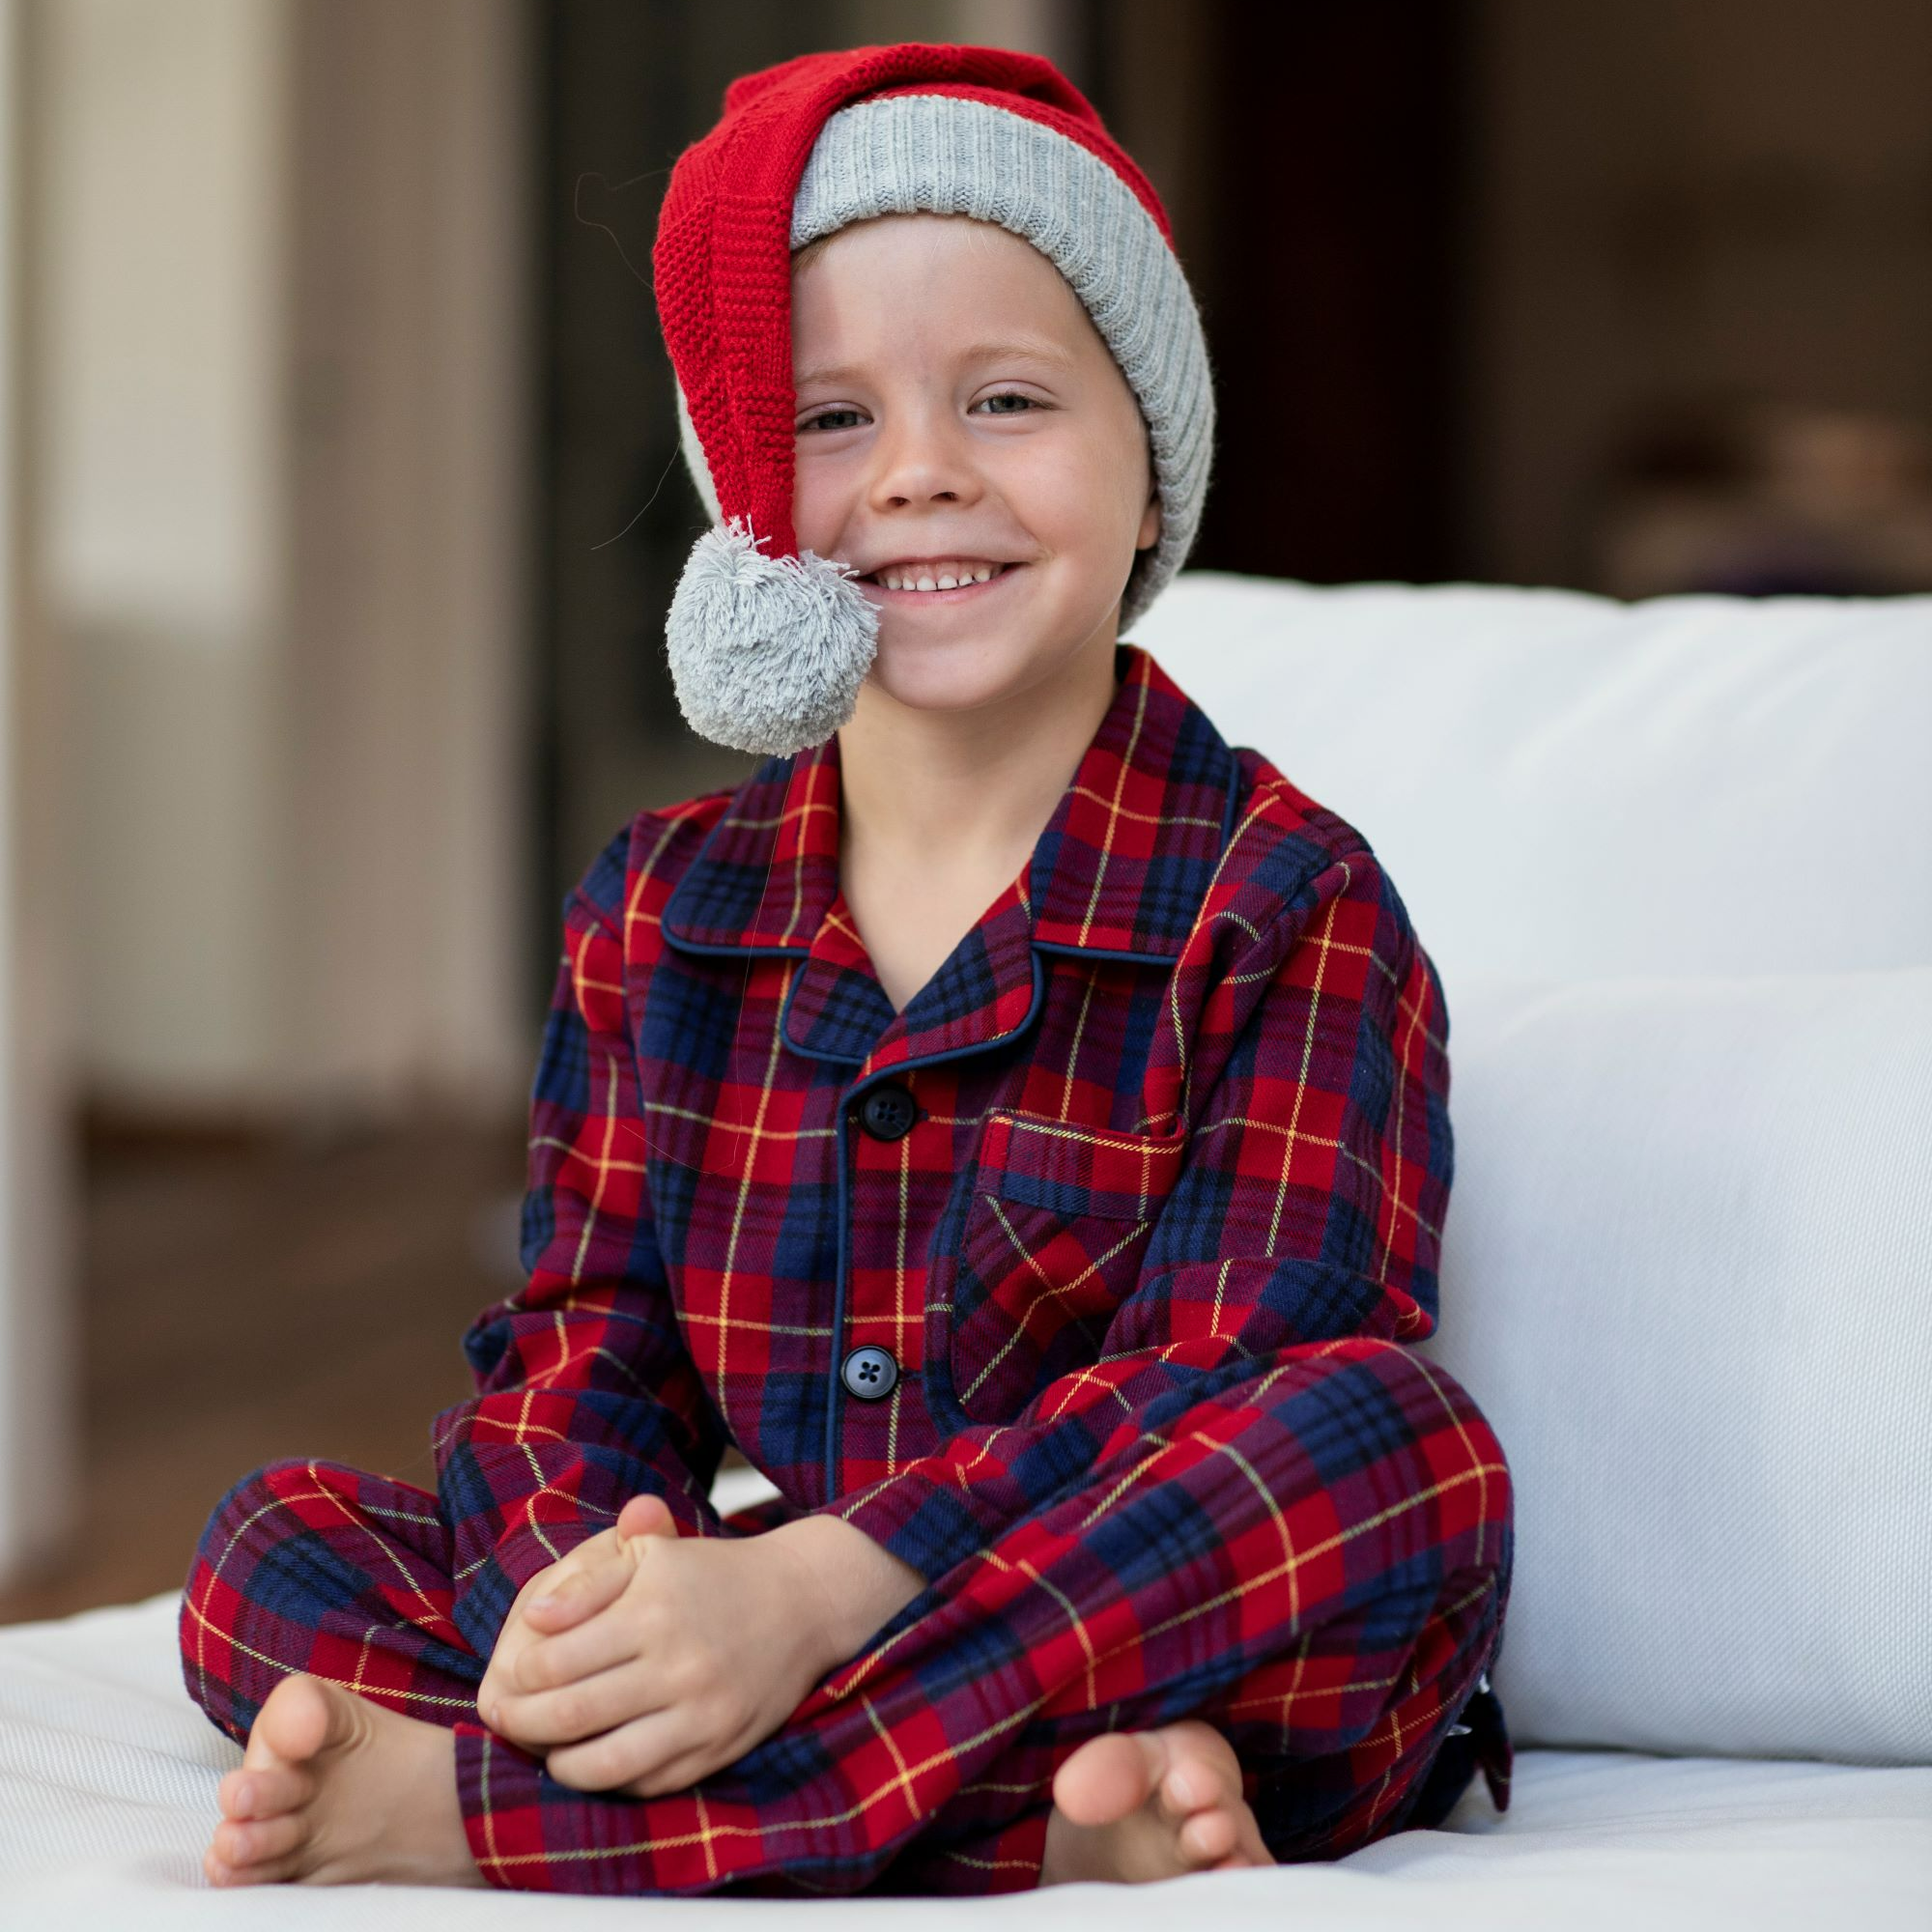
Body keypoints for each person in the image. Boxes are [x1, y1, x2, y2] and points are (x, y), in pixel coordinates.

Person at [178, 42, 1514, 1895]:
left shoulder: (1289, 904)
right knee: (270, 1546)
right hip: (932, 1681)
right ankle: (1027, 1828)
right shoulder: (660, 908)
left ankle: (505, 1819)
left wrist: (818, 1587)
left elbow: (1238, 1379)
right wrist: (607, 1591)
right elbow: (584, 1349)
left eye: (1009, 400)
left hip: (1105, 1609)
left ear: (1152, 483)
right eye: (830, 421)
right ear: (746, 500)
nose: (920, 478)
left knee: (1391, 1444)